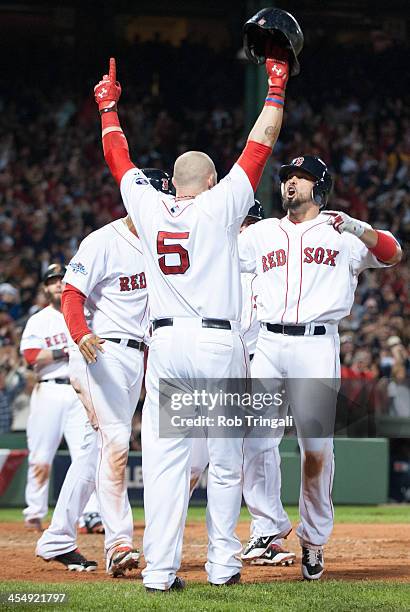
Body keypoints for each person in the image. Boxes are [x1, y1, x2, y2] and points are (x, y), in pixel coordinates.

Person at [94, 40, 291, 590]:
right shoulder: (223, 200)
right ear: (207, 181)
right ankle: (223, 566)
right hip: (216, 342)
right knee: (225, 462)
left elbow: (119, 159)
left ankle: (159, 572)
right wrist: (275, 84)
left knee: (163, 464)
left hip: (167, 347)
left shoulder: (148, 204)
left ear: (173, 182)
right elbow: (261, 142)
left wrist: (108, 107)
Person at [238, 154, 402, 579]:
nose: (291, 183)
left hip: (315, 343)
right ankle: (270, 527)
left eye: (302, 177)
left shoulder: (340, 232)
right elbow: (216, 261)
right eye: (287, 177)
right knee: (255, 441)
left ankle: (313, 541)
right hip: (269, 342)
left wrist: (356, 227)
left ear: (320, 185)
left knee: (315, 450)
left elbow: (392, 253)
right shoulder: (262, 233)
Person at [36, 170, 170, 576]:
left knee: (98, 451)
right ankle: (119, 543)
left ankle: (57, 537)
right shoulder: (102, 240)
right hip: (100, 350)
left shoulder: (160, 243)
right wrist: (80, 334)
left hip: (136, 356)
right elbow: (71, 292)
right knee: (115, 443)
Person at [189, 202, 296, 568]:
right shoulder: (226, 268)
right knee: (211, 457)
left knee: (258, 448)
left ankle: (267, 530)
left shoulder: (257, 268)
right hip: (228, 366)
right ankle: (266, 530)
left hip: (254, 363)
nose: (242, 230)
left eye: (247, 223)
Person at [20, 264, 101, 533]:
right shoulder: (39, 320)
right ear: (45, 287)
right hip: (49, 390)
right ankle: (34, 512)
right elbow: (32, 356)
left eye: (61, 280)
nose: (57, 284)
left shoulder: (84, 312)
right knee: (41, 457)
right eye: (52, 281)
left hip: (80, 389)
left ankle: (90, 515)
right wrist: (68, 349)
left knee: (85, 455)